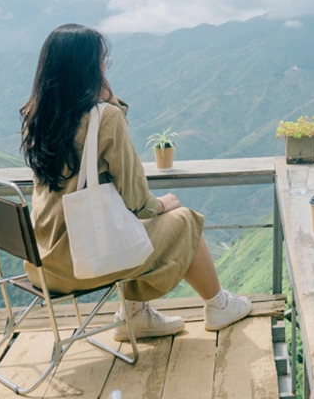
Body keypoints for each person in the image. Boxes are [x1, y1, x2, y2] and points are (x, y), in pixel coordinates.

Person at [20, 23, 251, 339]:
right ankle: (219, 305)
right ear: (89, 68)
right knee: (183, 219)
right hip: (79, 262)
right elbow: (135, 199)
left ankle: (135, 314)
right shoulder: (104, 118)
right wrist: (161, 203)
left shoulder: (37, 116)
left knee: (128, 225)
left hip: (41, 262)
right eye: (102, 61)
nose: (104, 67)